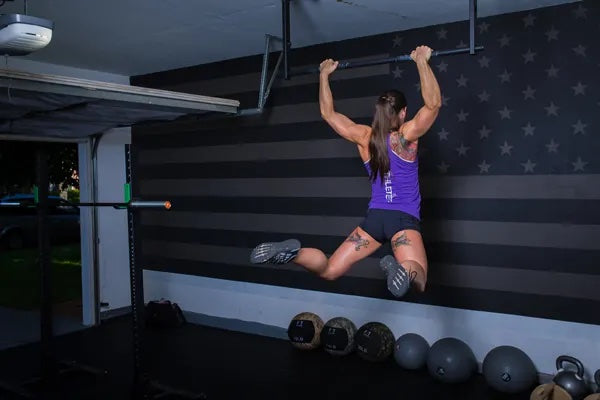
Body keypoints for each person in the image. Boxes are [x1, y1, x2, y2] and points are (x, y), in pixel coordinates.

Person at [250, 45, 441, 298]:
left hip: (375, 219)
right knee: (419, 277)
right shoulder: (406, 136)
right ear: (403, 112)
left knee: (329, 270)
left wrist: (324, 75)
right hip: (403, 219)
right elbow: (433, 105)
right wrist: (421, 61)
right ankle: (403, 270)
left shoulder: (363, 137)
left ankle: (294, 254)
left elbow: (327, 113)